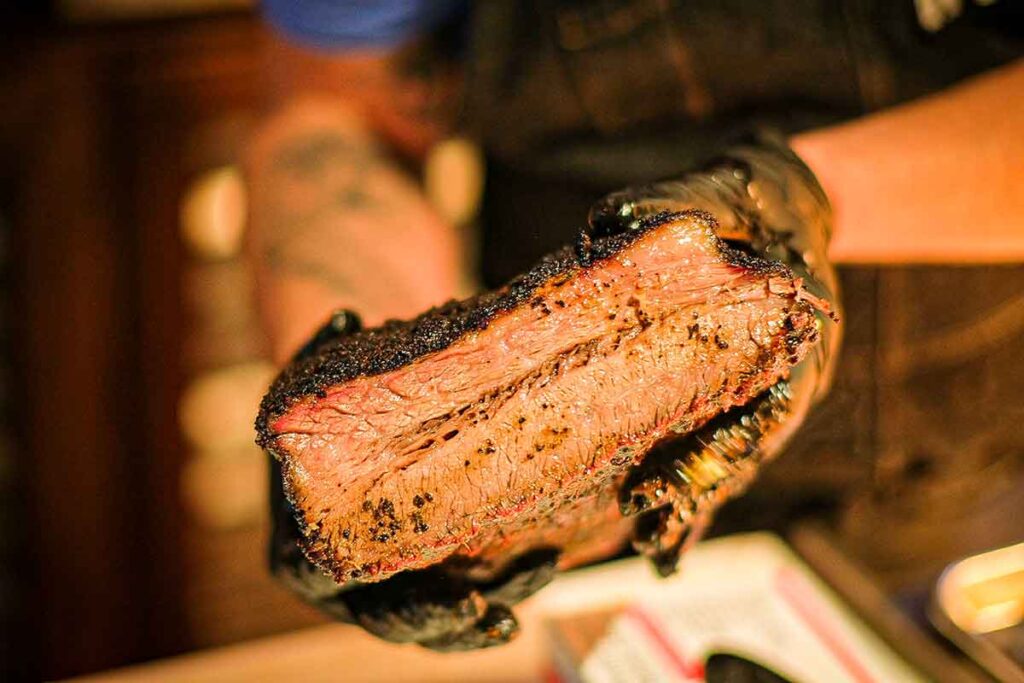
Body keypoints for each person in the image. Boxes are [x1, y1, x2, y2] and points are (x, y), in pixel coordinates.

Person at [246, 0, 1024, 644]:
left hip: (938, 508)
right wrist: (375, 435)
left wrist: (804, 203)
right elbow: (334, 114)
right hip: (561, 500)